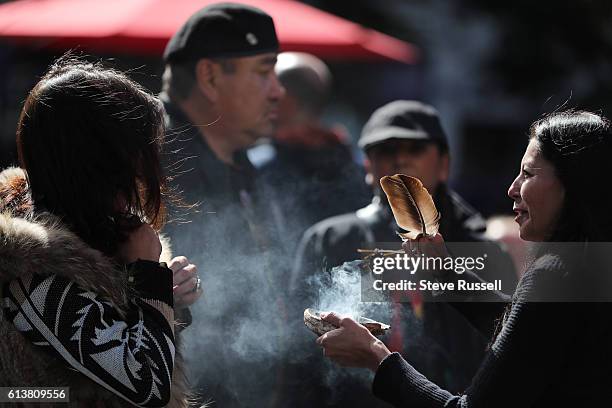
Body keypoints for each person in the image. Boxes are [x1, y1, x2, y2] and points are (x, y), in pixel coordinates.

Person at [316, 110, 612, 407]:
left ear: (573, 184)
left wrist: (377, 360)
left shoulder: (555, 273)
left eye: (529, 174)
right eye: (385, 151)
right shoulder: (592, 266)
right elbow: (528, 334)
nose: (513, 189)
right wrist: (444, 271)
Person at [0, 56, 202, 407]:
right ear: (101, 167)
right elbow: (149, 386)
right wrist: (149, 275)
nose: (143, 177)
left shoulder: (96, 232)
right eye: (139, 159)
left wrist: (171, 298)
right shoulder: (28, 270)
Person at [291, 100, 517, 406]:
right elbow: (298, 356)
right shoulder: (330, 240)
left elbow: (504, 349)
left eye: (415, 149)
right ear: (368, 166)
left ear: (444, 164)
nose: (400, 159)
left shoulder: (483, 250)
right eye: (386, 150)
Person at [160, 4, 290, 406]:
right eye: (264, 71)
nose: (278, 90)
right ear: (210, 77)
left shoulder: (242, 162)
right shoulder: (147, 156)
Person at [255, 52, 370, 253]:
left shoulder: (258, 168)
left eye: (269, 90)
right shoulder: (361, 168)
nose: (261, 98)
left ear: (286, 100)